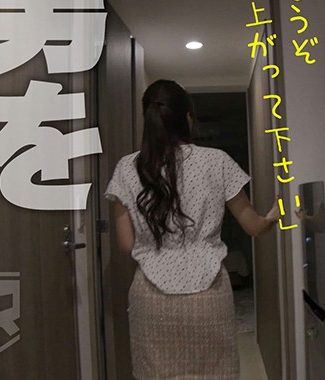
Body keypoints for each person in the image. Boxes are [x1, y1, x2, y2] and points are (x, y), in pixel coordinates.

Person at [105, 79, 280, 379]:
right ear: (187, 118)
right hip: (209, 296)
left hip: (151, 299)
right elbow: (254, 226)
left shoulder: (126, 168)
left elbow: (125, 243)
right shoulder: (217, 161)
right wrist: (274, 215)